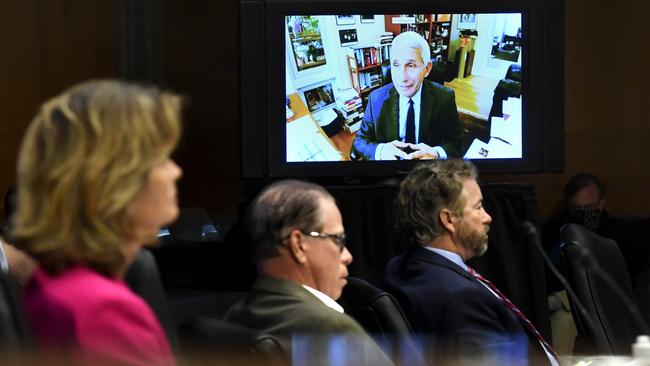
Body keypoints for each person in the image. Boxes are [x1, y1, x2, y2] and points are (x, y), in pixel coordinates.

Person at [10, 80, 181, 365]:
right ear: (116, 180)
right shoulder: (104, 309)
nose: (176, 171)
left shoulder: (54, 284)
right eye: (162, 159)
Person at [384, 160, 558, 365]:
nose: (488, 217)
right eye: (479, 207)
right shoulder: (461, 297)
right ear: (449, 220)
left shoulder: (401, 266)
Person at [224, 180, 393, 365]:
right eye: (337, 239)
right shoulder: (331, 327)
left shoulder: (234, 315)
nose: (348, 256)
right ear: (299, 245)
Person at [351, 31, 464, 161]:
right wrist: (380, 150)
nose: (402, 77)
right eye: (396, 65)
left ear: (426, 69)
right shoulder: (375, 99)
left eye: (411, 65)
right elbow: (359, 141)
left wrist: (436, 153)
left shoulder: (445, 98)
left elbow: (457, 143)